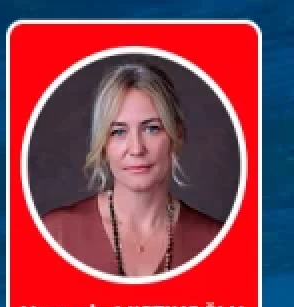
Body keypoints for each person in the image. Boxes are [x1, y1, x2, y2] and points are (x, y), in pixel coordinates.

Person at [40, 60, 223, 278]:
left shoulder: (214, 239)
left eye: (152, 128)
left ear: (177, 136)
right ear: (103, 143)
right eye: (118, 132)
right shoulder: (56, 234)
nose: (136, 148)